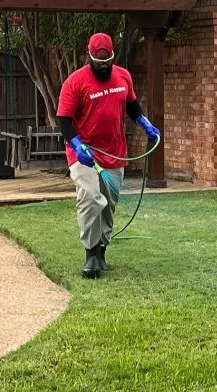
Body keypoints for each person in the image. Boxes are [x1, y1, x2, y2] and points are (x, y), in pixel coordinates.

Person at [56, 32, 161, 279]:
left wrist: (144, 123)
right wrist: (76, 143)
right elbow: (64, 120)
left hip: (114, 153)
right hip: (84, 154)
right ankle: (90, 255)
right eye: (98, 61)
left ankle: (102, 252)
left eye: (107, 61)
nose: (103, 66)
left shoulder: (123, 76)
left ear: (113, 56)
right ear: (89, 56)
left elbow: (132, 104)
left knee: (108, 204)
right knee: (91, 197)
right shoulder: (75, 82)